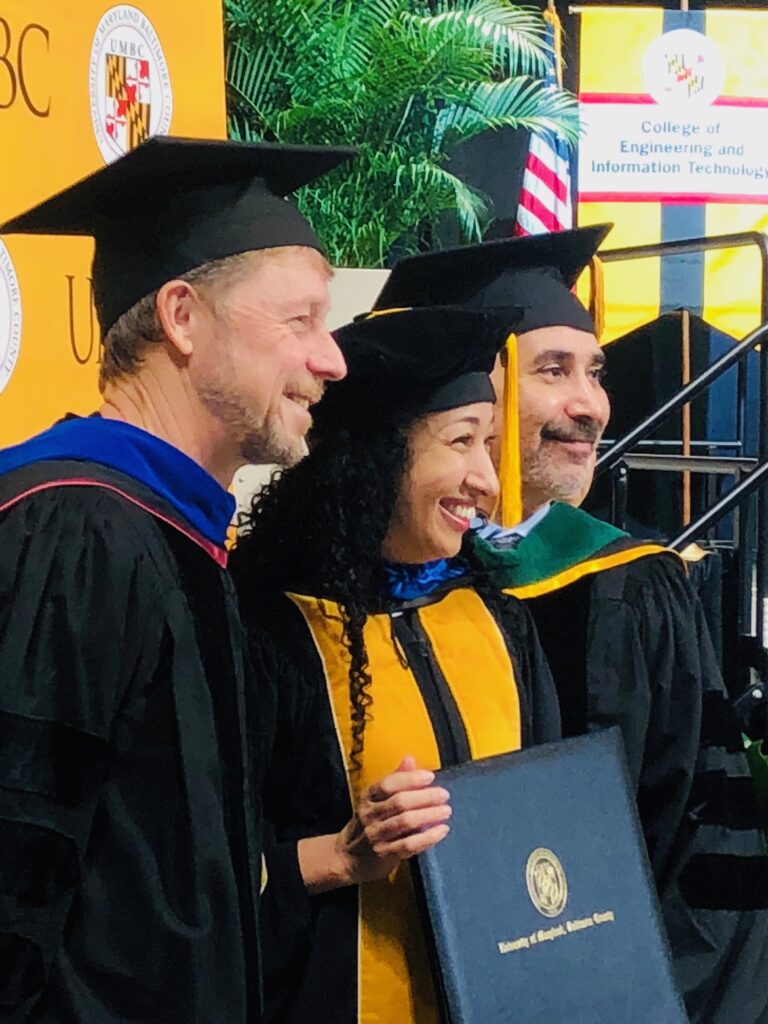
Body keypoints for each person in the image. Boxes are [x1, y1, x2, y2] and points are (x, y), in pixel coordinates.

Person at [372, 224, 768, 1023]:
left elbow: (703, 861)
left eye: (596, 373)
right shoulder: (370, 589)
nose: (590, 406)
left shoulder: (632, 587)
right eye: (553, 372)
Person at [0, 134, 352, 1023]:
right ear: (183, 317)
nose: (333, 359)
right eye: (301, 321)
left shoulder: (169, 533)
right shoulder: (75, 529)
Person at [230, 305, 560, 1024]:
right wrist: (339, 856)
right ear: (377, 460)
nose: (487, 481)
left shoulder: (499, 623)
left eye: (491, 444)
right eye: (461, 441)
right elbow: (196, 869)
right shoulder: (270, 630)